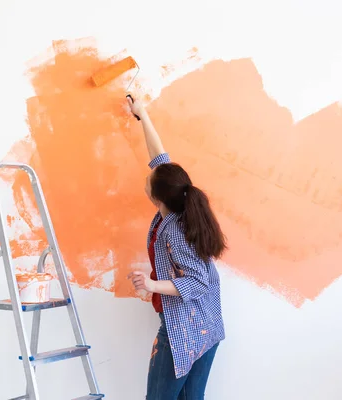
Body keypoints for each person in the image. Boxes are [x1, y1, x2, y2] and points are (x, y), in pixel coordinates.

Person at [126, 94, 227, 400]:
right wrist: (142, 114)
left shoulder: (177, 232)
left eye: (148, 180)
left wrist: (152, 283)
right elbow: (160, 157)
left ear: (156, 197)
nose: (147, 177)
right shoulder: (174, 200)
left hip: (185, 328)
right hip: (203, 324)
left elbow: (196, 282)